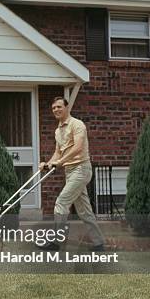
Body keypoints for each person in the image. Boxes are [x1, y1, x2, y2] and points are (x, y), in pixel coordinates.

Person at [39, 97, 106, 251]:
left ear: (67, 107)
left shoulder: (77, 125)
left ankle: (57, 242)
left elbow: (78, 147)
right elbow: (58, 152)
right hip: (70, 172)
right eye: (53, 107)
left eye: (59, 107)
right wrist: (48, 163)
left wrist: (61, 161)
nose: (56, 110)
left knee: (61, 202)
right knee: (84, 210)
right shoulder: (58, 130)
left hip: (81, 169)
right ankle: (98, 243)